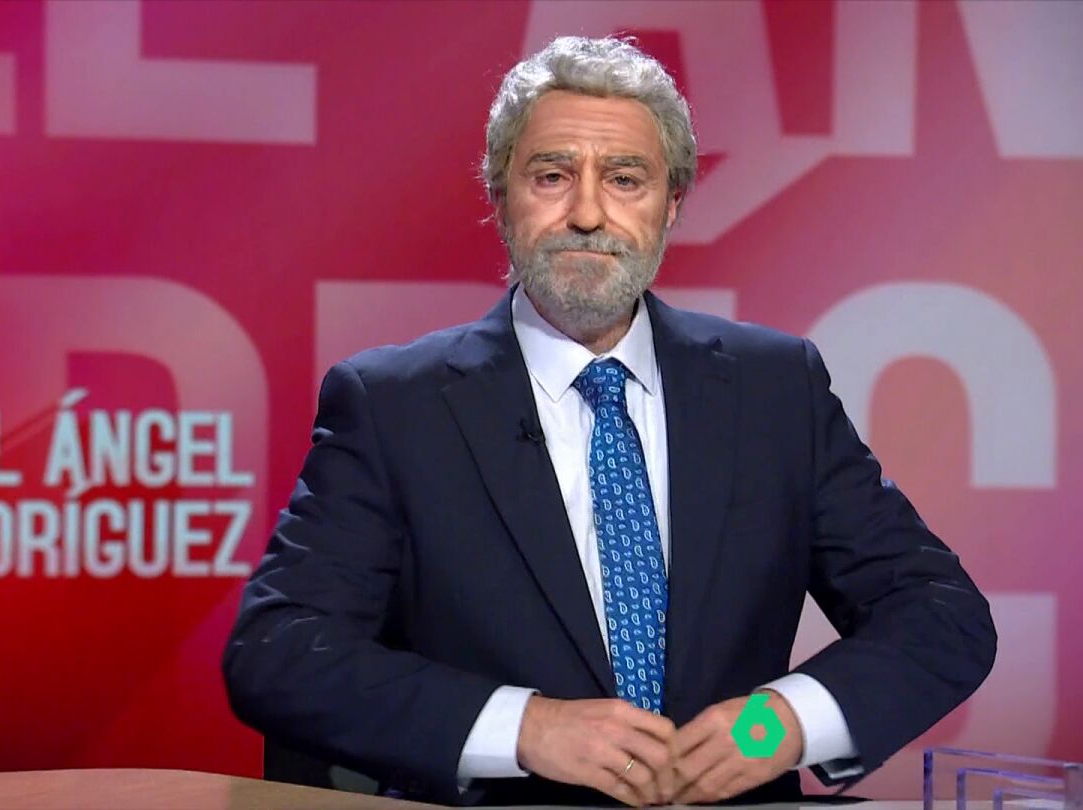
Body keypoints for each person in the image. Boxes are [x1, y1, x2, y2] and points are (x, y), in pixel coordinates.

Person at [222, 35, 995, 807]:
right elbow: (278, 651)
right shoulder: (395, 406)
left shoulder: (774, 390)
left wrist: (777, 726)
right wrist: (524, 728)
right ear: (501, 196)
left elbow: (940, 614)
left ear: (671, 205)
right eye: (552, 176)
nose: (589, 213)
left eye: (626, 179)